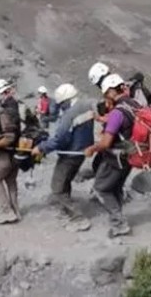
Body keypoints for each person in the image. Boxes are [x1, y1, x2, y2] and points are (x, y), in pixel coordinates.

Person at [32, 83, 95, 232]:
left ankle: (78, 217)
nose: (60, 106)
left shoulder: (69, 115)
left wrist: (41, 148)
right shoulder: (85, 106)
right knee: (65, 181)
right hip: (82, 151)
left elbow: (60, 139)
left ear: (66, 100)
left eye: (61, 104)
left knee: (57, 188)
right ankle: (67, 210)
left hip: (70, 154)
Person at [84, 73, 136, 238]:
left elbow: (106, 143)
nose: (107, 97)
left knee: (101, 188)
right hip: (130, 155)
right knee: (116, 187)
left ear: (113, 91)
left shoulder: (117, 113)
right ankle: (119, 217)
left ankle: (119, 224)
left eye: (107, 93)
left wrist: (92, 148)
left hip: (116, 158)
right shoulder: (133, 104)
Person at [0, 78, 22, 224]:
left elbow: (9, 137)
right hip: (17, 152)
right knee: (11, 180)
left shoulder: (6, 113)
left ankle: (6, 211)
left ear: (3, 93)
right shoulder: (19, 108)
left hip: (5, 155)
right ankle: (16, 211)